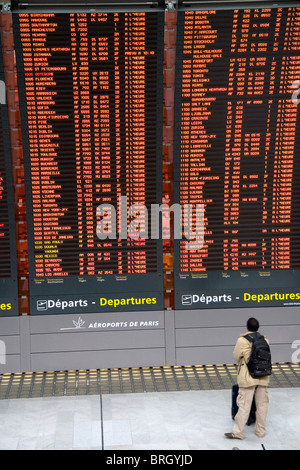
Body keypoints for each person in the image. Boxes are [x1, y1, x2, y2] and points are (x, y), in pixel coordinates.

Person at [225, 317, 270, 440]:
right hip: (263, 375)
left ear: (247, 327)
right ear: (258, 327)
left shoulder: (242, 340)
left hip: (247, 377)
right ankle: (260, 432)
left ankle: (238, 432)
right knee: (262, 406)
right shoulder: (265, 339)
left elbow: (236, 355)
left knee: (244, 405)